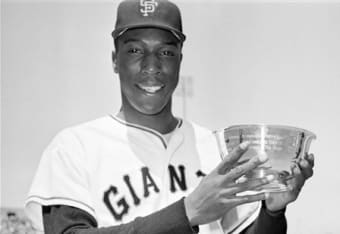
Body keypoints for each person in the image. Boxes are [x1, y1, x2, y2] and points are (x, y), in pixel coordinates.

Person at [25, 0, 315, 233]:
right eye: (135, 50)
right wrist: (187, 213)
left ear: (179, 60)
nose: (152, 66)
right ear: (115, 60)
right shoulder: (74, 147)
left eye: (165, 52)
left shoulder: (215, 147)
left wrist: (273, 211)